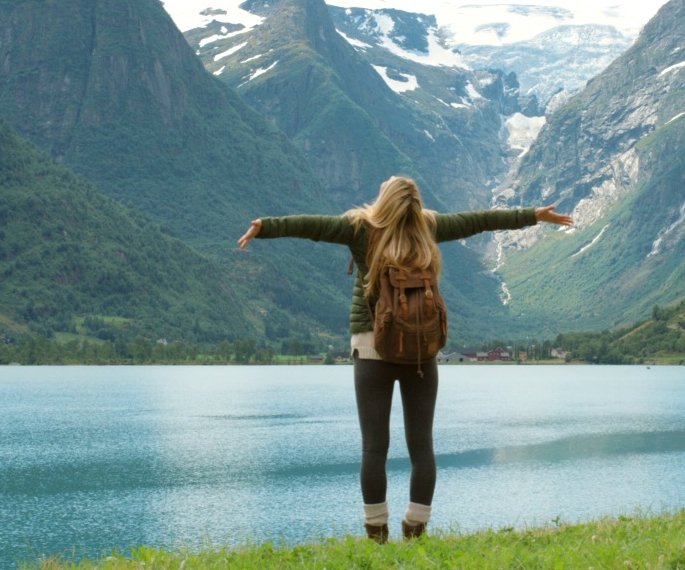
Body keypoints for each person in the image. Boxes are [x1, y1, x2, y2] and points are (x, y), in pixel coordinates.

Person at [237, 176, 572, 543]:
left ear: (385, 198)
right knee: (421, 445)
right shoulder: (429, 227)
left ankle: (376, 532)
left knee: (374, 447)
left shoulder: (361, 228)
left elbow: (312, 226)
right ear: (414, 204)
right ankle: (416, 528)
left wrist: (265, 227)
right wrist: (532, 215)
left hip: (371, 348)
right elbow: (479, 220)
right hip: (422, 349)